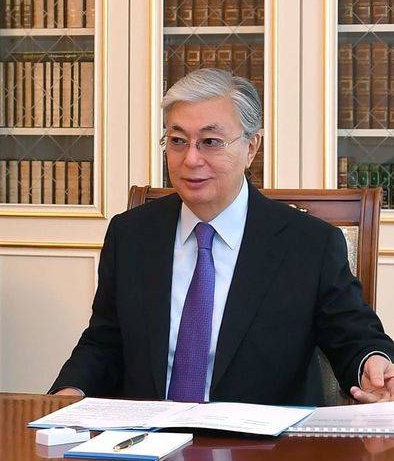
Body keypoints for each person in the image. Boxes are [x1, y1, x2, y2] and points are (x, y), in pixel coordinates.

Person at [51, 68, 394, 406]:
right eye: (177, 141)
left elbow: (354, 337)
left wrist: (373, 365)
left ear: (251, 147)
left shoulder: (309, 244)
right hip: (148, 435)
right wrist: (69, 391)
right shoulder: (131, 235)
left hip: (263, 438)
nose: (191, 159)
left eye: (211, 142)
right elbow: (105, 341)